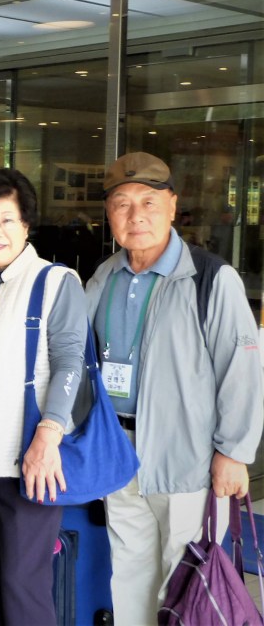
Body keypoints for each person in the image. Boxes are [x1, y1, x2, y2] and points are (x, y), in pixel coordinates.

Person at [87, 152, 263, 624]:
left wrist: (234, 453)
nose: (135, 215)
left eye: (148, 201)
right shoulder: (104, 276)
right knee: (128, 571)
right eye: (122, 204)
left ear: (172, 205)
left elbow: (241, 371)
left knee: (186, 579)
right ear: (109, 214)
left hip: (189, 459)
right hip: (119, 452)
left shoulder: (210, 278)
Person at [0, 168, 87, 625]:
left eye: (7, 220)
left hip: (29, 457)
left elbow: (70, 362)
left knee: (21, 582)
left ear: (26, 226)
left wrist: (49, 435)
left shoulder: (54, 282)